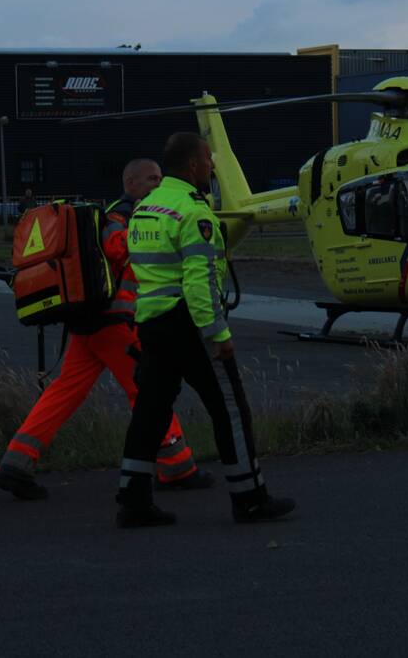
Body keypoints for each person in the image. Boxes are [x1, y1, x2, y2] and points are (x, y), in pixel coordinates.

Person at [0, 159, 213, 500]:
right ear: (132, 182)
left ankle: (15, 463)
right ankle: (177, 466)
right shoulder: (123, 213)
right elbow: (115, 247)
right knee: (148, 390)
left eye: (160, 178)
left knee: (65, 392)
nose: (158, 184)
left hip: (90, 325)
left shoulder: (119, 211)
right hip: (117, 325)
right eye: (152, 178)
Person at [115, 132, 296, 528]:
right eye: (208, 162)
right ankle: (249, 498)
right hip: (188, 324)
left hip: (152, 323)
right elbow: (198, 284)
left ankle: (133, 499)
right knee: (230, 409)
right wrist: (218, 334)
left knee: (151, 410)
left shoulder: (147, 207)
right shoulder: (193, 212)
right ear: (194, 165)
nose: (212, 168)